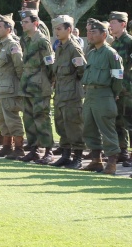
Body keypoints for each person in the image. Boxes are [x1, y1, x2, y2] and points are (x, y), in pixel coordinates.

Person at [81, 20, 124, 175]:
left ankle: (111, 162)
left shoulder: (111, 54)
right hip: (90, 94)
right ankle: (96, 160)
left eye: (93, 32)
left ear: (104, 34)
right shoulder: (91, 53)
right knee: (89, 127)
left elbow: (118, 77)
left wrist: (114, 94)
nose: (89, 35)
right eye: (88, 32)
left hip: (104, 94)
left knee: (107, 129)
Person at [49, 15, 86, 169]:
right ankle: (65, 155)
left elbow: (82, 71)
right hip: (60, 94)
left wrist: (72, 85)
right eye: (55, 29)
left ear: (69, 29)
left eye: (59, 29)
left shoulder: (74, 48)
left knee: (74, 126)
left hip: (72, 95)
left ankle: (77, 157)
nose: (56, 32)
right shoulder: (59, 47)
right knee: (61, 125)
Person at [19, 9, 55, 164]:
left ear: (35, 23)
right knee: (28, 117)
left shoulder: (42, 41)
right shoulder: (25, 39)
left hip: (40, 84)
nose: (23, 25)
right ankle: (34, 149)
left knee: (41, 117)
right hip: (27, 83)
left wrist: (48, 81)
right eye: (22, 22)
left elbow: (50, 64)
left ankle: (48, 150)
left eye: (26, 22)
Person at [0, 13, 25, 159]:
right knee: (0, 120)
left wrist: (19, 86)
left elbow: (19, 67)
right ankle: (6, 146)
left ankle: (18, 148)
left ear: (8, 29)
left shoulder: (12, 45)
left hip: (10, 90)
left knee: (12, 119)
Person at [107, 11, 132, 165]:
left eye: (114, 22)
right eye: (110, 22)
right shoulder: (114, 43)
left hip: (128, 89)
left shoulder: (129, 42)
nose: (110, 25)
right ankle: (122, 151)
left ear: (123, 24)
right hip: (117, 89)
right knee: (118, 121)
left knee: (130, 122)